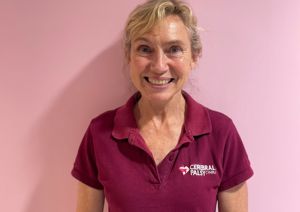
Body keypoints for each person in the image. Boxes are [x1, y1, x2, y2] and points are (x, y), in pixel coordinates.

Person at [71, 0, 254, 211]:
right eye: (145, 49)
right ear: (128, 55)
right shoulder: (99, 133)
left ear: (193, 57)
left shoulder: (222, 133)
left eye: (174, 49)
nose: (159, 66)